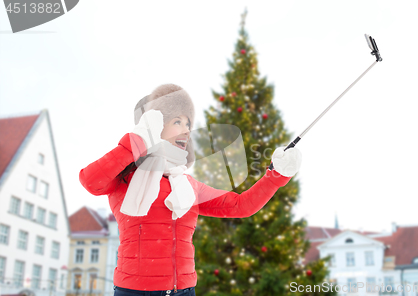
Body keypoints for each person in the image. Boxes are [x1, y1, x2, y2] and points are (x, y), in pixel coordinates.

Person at [79, 84, 302, 296]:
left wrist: (277, 176)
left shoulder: (188, 186)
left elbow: (240, 206)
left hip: (185, 291)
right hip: (135, 292)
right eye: (177, 122)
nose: (186, 131)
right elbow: (90, 181)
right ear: (156, 125)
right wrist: (137, 141)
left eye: (188, 124)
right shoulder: (124, 179)